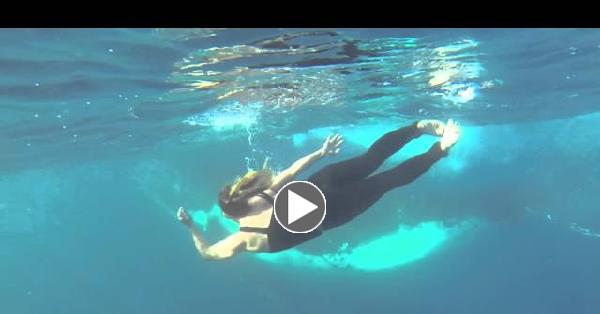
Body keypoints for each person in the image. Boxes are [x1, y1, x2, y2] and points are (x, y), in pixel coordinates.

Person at [177, 119, 460, 260]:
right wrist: (321, 153)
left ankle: (440, 149)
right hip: (320, 183)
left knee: (385, 181)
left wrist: (190, 226)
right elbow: (291, 171)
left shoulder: (242, 239)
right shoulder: (259, 197)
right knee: (371, 159)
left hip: (332, 210)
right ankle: (416, 129)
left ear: (231, 217)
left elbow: (208, 253)